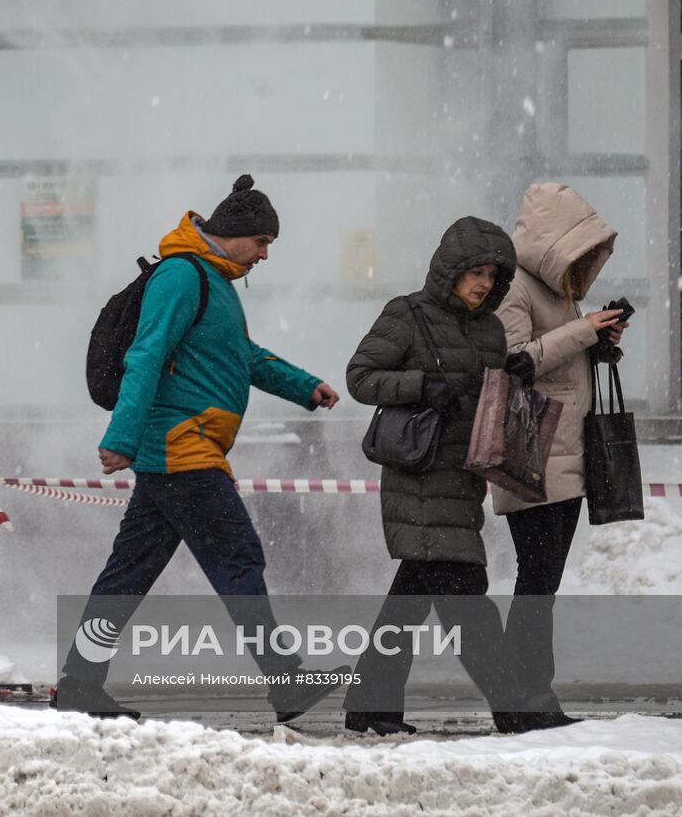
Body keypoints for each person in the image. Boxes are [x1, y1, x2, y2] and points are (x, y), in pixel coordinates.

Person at [52, 175, 343, 722]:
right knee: (239, 560)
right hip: (181, 450)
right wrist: (121, 438)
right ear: (235, 233)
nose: (264, 255)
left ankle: (80, 683)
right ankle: (286, 682)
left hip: (180, 454)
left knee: (127, 574)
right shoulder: (183, 277)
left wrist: (304, 386)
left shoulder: (216, 283)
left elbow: (245, 357)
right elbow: (145, 354)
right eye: (262, 243)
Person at [342, 216, 557, 736]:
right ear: (450, 270)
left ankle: (371, 706)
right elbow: (360, 377)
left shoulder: (488, 329)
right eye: (475, 272)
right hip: (418, 476)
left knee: (413, 597)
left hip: (461, 479)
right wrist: (421, 386)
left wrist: (514, 372)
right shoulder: (407, 315)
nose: (483, 283)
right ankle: (515, 711)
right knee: (466, 599)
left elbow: (481, 390)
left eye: (491, 274)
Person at [494, 182, 624, 721]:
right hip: (533, 452)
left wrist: (598, 342)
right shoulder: (514, 289)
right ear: (553, 242)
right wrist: (581, 330)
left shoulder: (560, 293)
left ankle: (527, 696)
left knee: (543, 581)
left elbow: (560, 364)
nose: (583, 264)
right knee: (536, 579)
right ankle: (524, 698)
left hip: (565, 455)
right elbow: (515, 362)